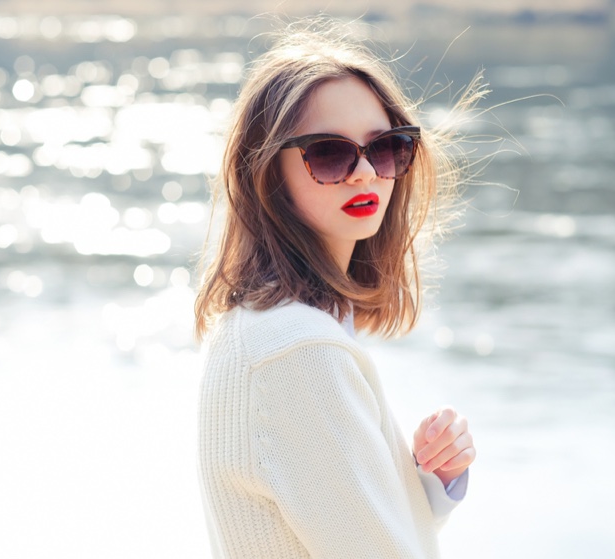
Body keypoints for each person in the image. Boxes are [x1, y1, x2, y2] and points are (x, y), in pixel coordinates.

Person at [194, 20, 480, 559]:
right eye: (329, 154)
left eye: (388, 148)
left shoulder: (269, 328)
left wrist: (424, 482)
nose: (366, 173)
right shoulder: (298, 350)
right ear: (266, 173)